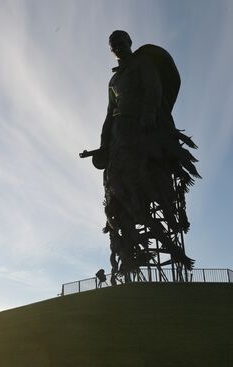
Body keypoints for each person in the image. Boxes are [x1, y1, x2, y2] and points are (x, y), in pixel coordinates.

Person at [99, 30, 200, 279]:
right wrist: (103, 145)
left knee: (146, 176)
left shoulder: (142, 62)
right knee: (118, 187)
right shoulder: (113, 82)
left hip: (143, 126)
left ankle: (171, 241)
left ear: (129, 43)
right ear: (111, 50)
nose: (118, 47)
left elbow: (154, 88)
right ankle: (129, 249)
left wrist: (150, 112)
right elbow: (109, 115)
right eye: (114, 45)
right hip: (119, 134)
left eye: (121, 42)